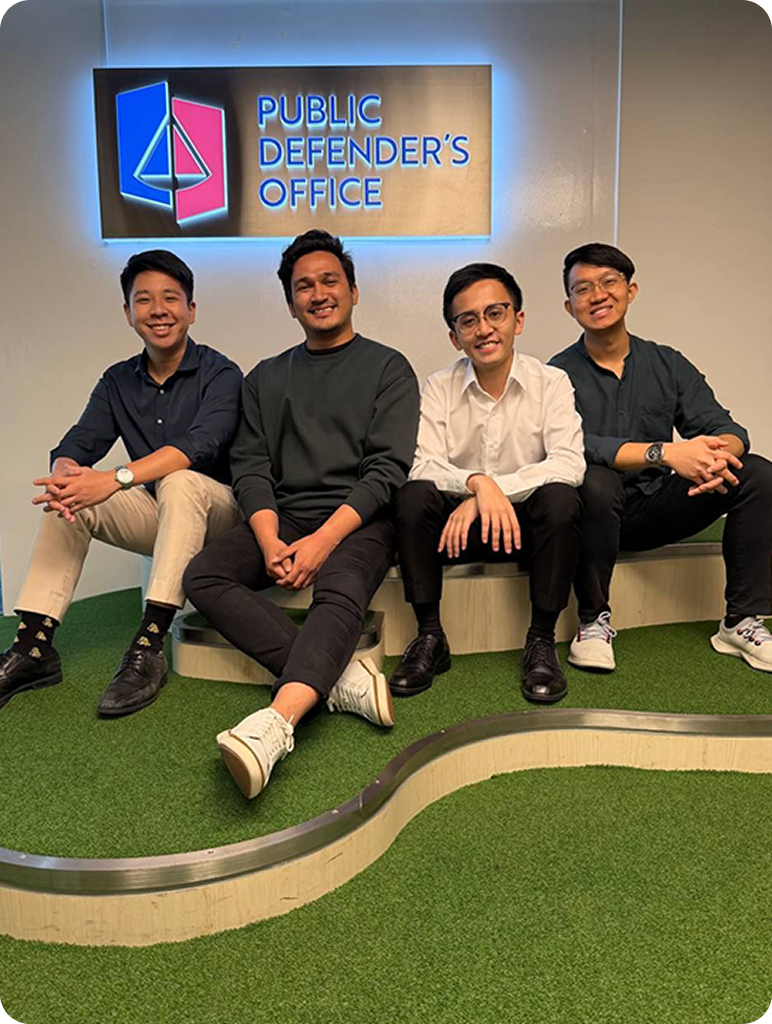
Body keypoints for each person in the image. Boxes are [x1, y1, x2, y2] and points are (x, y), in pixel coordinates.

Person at [183, 229, 420, 799]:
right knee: (203, 575)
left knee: (339, 588)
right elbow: (250, 466)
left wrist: (322, 542)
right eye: (304, 286)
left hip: (361, 519)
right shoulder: (266, 377)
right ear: (291, 304)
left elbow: (386, 470)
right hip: (284, 516)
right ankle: (338, 679)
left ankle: (277, 723)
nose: (318, 294)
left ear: (354, 292)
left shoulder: (389, 368)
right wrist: (269, 539)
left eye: (329, 281)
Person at [0, 250, 242, 716]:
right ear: (128, 313)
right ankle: (33, 648)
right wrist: (66, 474)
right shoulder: (117, 381)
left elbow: (199, 446)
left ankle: (148, 645)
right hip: (165, 519)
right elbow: (78, 442)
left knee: (180, 480)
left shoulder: (221, 374)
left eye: (170, 298)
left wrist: (115, 479)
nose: (158, 310)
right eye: (144, 300)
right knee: (70, 491)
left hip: (223, 519)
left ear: (191, 310)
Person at [550, 241, 772, 672]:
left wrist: (714, 458)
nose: (598, 295)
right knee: (596, 478)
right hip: (592, 517)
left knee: (757, 472)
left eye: (609, 282)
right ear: (569, 305)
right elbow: (571, 446)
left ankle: (740, 621)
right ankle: (593, 621)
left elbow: (729, 431)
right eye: (583, 288)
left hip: (657, 509)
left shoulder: (667, 363)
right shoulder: (555, 375)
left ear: (630, 291)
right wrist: (666, 453)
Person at [389, 262, 585, 705]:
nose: (484, 329)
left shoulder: (552, 382)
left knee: (562, 499)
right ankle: (430, 635)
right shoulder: (439, 386)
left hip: (525, 531)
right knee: (412, 495)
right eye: (468, 320)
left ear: (518, 320)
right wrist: (477, 484)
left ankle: (541, 640)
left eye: (495, 313)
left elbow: (570, 463)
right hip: (455, 534)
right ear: (454, 336)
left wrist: (493, 491)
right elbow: (421, 463)